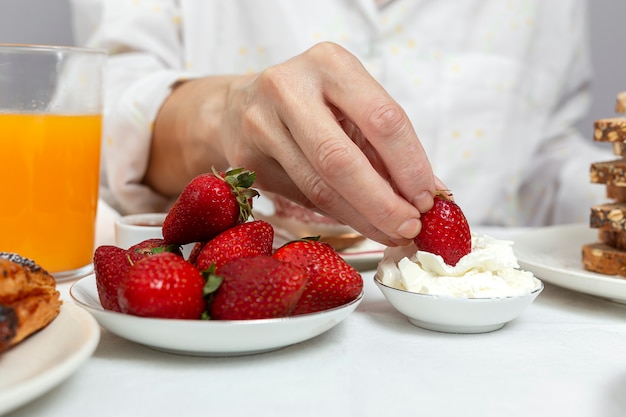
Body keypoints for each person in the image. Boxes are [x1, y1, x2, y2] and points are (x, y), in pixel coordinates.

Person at [70, 0, 611, 247]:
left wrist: (610, 183)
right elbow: (101, 100)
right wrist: (229, 111)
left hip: (487, 344)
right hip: (245, 323)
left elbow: (539, 157)